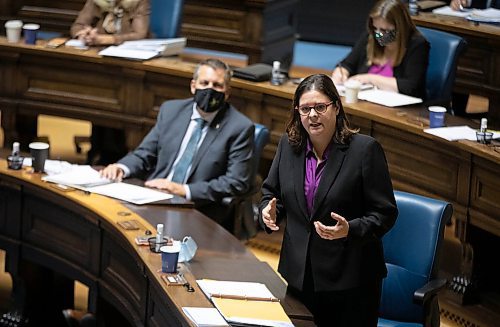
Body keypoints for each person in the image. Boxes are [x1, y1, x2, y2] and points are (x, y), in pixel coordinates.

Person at [260, 74, 398, 326]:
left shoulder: (365, 151)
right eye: (305, 109)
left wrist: (349, 229)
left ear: (336, 107)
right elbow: (272, 194)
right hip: (300, 275)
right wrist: (268, 212)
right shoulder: (289, 147)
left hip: (350, 281)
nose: (312, 115)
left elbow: (384, 213)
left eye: (320, 107)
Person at [100, 58, 255, 227]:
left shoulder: (239, 127)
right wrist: (121, 167)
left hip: (198, 208)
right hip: (154, 195)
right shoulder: (171, 111)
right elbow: (145, 153)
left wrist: (183, 190)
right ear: (193, 86)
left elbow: (236, 182)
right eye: (204, 83)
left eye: (217, 85)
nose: (210, 89)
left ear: (227, 92)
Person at [71, 0, 151, 165]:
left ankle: (112, 153)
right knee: (99, 96)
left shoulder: (138, 2)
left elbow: (139, 34)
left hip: (130, 65)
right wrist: (84, 34)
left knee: (118, 101)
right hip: (101, 62)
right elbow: (77, 25)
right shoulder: (98, 1)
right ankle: (98, 149)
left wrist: (107, 39)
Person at [332, 0, 429, 98]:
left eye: (384, 30)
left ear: (400, 28)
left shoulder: (417, 45)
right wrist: (341, 73)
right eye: (375, 28)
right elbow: (347, 64)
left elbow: (410, 87)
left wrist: (369, 79)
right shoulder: (370, 37)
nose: (378, 34)